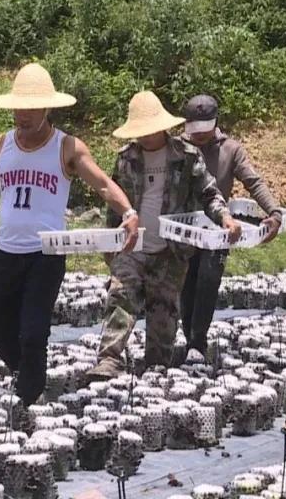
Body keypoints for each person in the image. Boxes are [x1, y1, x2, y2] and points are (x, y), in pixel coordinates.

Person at [0, 63, 140, 405]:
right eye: (18, 109)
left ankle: (28, 400)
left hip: (45, 255)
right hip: (5, 252)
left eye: (30, 109)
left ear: (47, 108)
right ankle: (27, 377)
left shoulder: (66, 147)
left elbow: (101, 183)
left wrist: (127, 212)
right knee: (0, 331)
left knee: (34, 332)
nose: (22, 116)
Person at [88, 91, 243, 380]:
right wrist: (111, 243)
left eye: (150, 130)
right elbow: (114, 200)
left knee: (164, 314)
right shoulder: (127, 158)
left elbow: (208, 192)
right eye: (140, 132)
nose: (145, 137)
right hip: (132, 247)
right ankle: (109, 360)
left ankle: (156, 370)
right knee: (121, 297)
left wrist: (225, 218)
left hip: (170, 251)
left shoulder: (185, 156)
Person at [179, 94, 285, 362]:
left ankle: (197, 341)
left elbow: (253, 181)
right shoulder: (177, 147)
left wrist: (273, 211)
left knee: (208, 279)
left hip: (219, 227)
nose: (200, 138)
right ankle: (187, 336)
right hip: (183, 228)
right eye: (195, 132)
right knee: (185, 282)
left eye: (205, 132)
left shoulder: (230, 149)